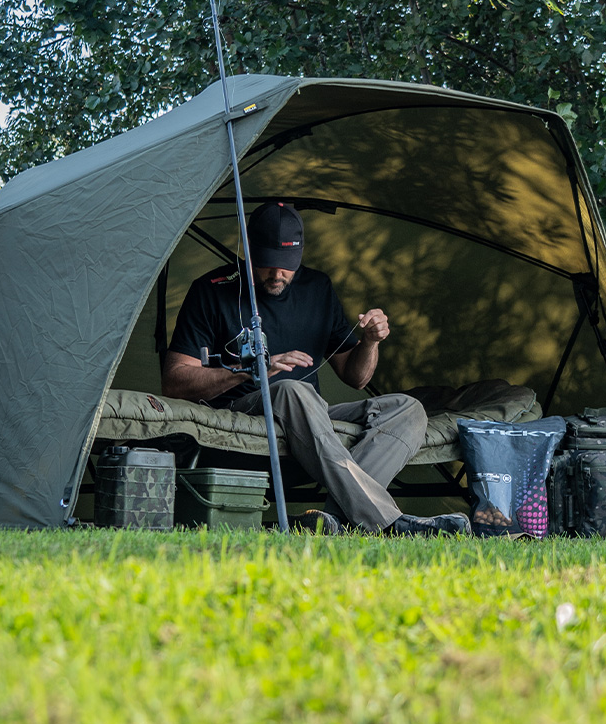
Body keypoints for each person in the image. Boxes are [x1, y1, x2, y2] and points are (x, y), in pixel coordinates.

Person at [161, 201, 471, 538]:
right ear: (248, 249)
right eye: (267, 265)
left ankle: (335, 521)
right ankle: (390, 523)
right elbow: (175, 382)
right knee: (294, 389)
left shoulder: (317, 288)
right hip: (243, 413)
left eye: (287, 266)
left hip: (313, 421)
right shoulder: (211, 291)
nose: (277, 275)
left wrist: (369, 342)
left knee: (407, 409)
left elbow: (357, 378)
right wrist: (255, 370)